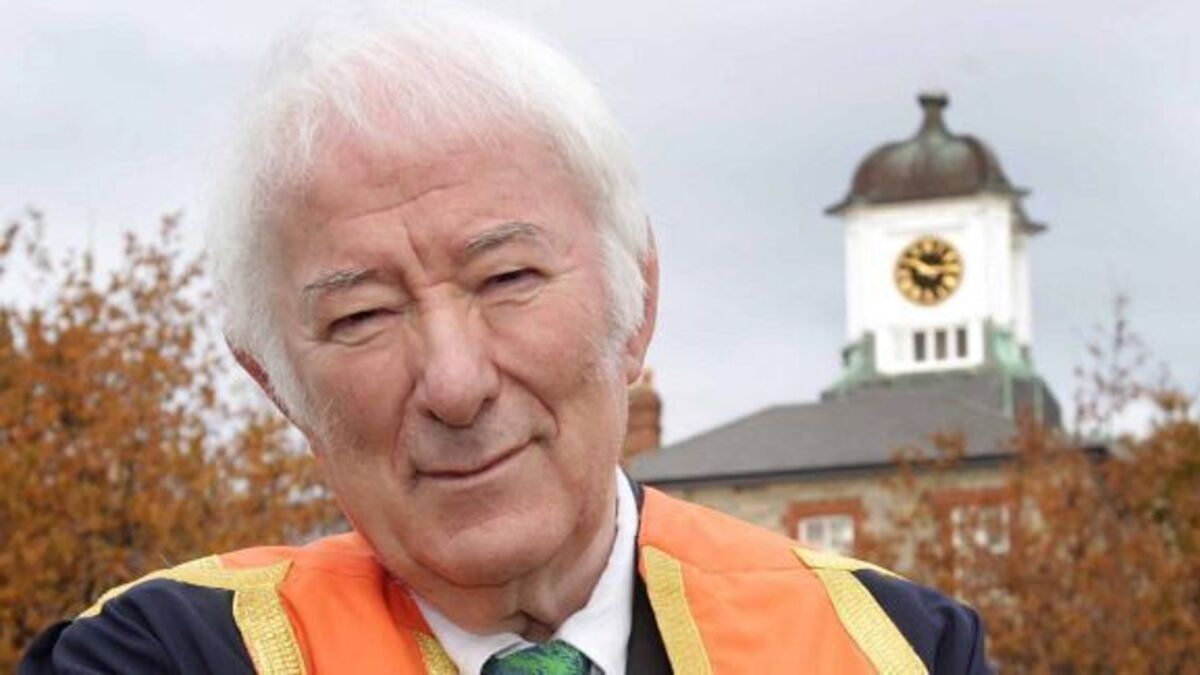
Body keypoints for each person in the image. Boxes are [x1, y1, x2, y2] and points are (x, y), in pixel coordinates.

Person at [21, 6, 991, 674]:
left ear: (636, 301)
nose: (455, 382)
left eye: (507, 279)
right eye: (362, 316)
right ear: (277, 384)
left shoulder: (890, 648)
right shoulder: (168, 655)